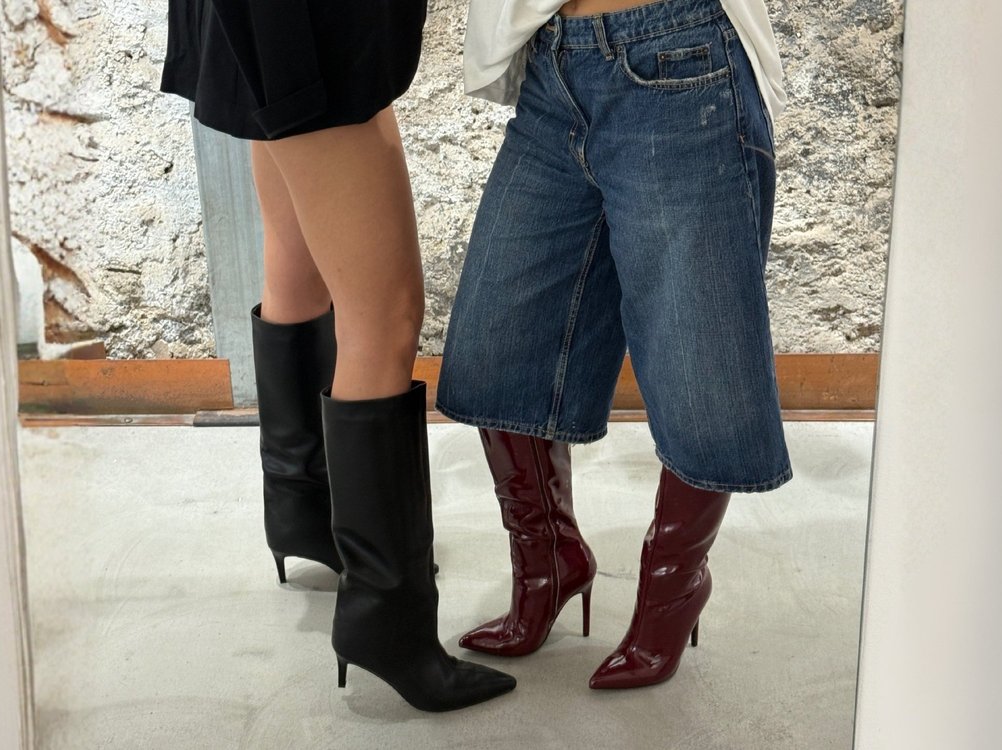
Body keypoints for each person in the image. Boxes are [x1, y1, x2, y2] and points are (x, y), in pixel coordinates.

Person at [160, 0, 515, 711]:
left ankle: (304, 507)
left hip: (262, 24)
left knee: (298, 263)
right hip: (309, 27)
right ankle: (388, 618)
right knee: (383, 317)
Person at [439, 0, 792, 689]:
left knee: (702, 368)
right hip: (552, 64)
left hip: (681, 59)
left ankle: (673, 585)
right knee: (497, 349)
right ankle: (548, 563)